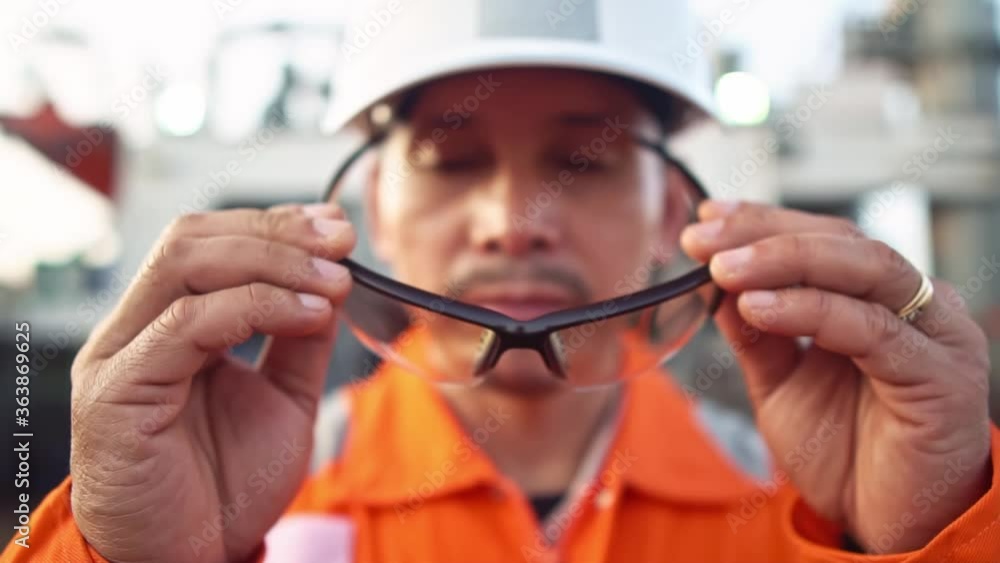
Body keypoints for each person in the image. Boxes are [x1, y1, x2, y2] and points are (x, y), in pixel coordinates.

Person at [4, 1, 999, 561]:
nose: (513, 223)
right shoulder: (228, 496)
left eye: (585, 157)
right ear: (376, 209)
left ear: (672, 210)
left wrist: (919, 539)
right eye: (452, 158)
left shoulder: (820, 505)